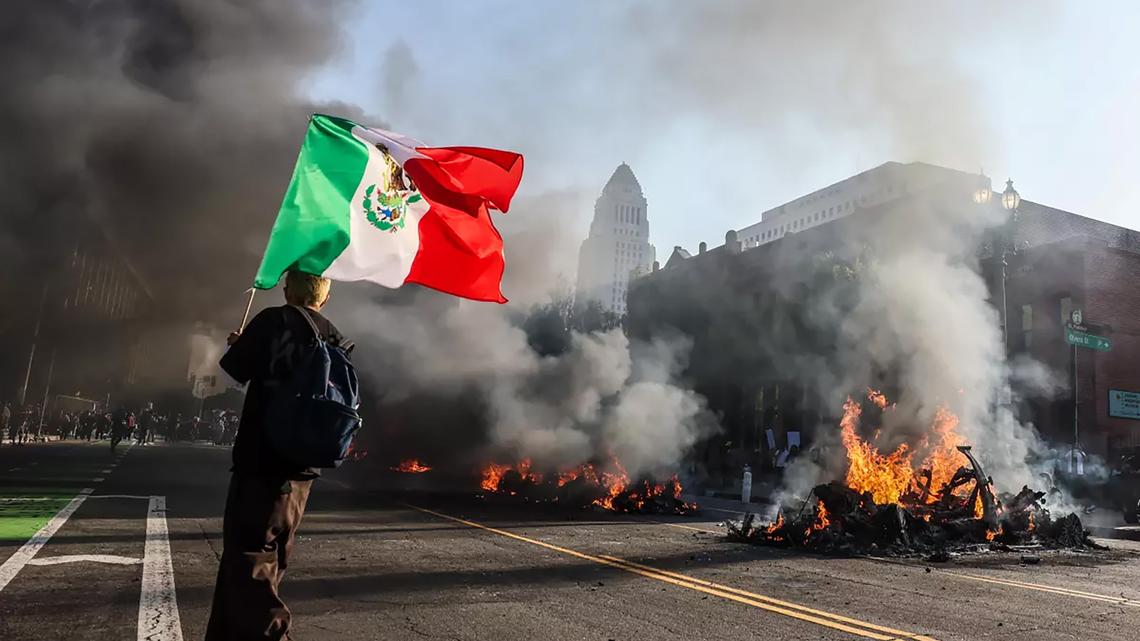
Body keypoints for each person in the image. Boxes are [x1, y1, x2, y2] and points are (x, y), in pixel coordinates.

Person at [205, 270, 347, 641]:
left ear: (287, 291)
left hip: (262, 459)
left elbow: (235, 368)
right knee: (272, 558)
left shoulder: (273, 320)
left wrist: (239, 344)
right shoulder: (335, 335)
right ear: (325, 297)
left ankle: (273, 633)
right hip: (303, 470)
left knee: (249, 555)